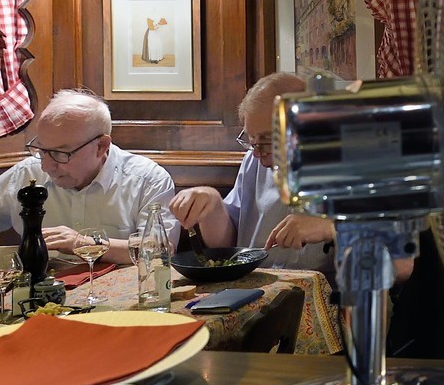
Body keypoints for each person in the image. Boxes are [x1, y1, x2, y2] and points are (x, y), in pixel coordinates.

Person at [169, 72, 400, 280]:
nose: (259, 153)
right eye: (252, 141)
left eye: (269, 140)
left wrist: (332, 227)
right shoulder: (254, 161)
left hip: (321, 304)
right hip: (250, 291)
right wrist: (212, 206)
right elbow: (229, 244)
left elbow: (402, 266)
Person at [0, 89, 177, 264]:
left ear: (101, 146)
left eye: (61, 153)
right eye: (41, 149)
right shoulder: (28, 172)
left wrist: (85, 244)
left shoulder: (147, 179)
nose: (47, 165)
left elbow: (159, 250)